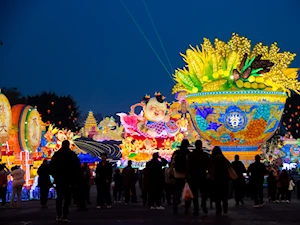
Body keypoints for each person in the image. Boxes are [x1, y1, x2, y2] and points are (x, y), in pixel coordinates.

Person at [50, 140, 81, 223]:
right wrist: (75, 179)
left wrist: (54, 176)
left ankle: (59, 214)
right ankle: (65, 216)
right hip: (69, 180)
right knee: (67, 198)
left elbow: (51, 166)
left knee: (59, 198)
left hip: (59, 179)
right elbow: (77, 168)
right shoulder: (72, 155)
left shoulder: (57, 155)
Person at [187, 140, 209, 216]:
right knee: (203, 193)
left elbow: (188, 166)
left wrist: (187, 176)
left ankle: (196, 209)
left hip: (193, 177)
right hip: (202, 176)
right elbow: (207, 166)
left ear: (195, 145)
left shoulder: (191, 155)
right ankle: (203, 204)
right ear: (201, 145)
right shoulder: (205, 155)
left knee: (195, 194)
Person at [170, 139, 190, 214]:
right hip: (186, 176)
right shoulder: (188, 153)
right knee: (187, 192)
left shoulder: (176, 153)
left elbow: (172, 164)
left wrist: (171, 174)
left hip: (177, 175)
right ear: (187, 145)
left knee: (177, 191)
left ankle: (175, 204)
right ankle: (187, 208)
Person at [208, 146, 230, 215]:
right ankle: (225, 208)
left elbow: (209, 169)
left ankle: (218, 209)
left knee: (217, 196)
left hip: (215, 181)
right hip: (224, 180)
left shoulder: (212, 160)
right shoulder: (224, 159)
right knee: (224, 196)